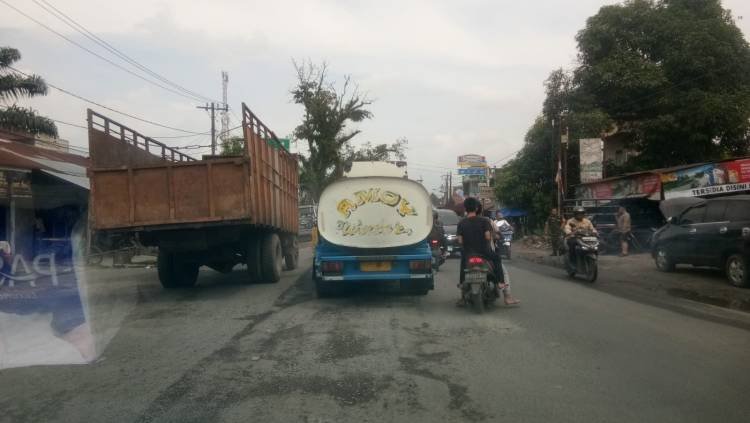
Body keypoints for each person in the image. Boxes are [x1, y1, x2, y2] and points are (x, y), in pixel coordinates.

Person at [457, 197, 519, 306]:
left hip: (469, 253)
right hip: (484, 253)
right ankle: (500, 283)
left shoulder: (461, 223)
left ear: (466, 209)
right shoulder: (485, 221)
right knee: (497, 259)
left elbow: (460, 240)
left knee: (463, 263)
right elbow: (487, 237)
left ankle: (462, 285)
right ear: (477, 208)